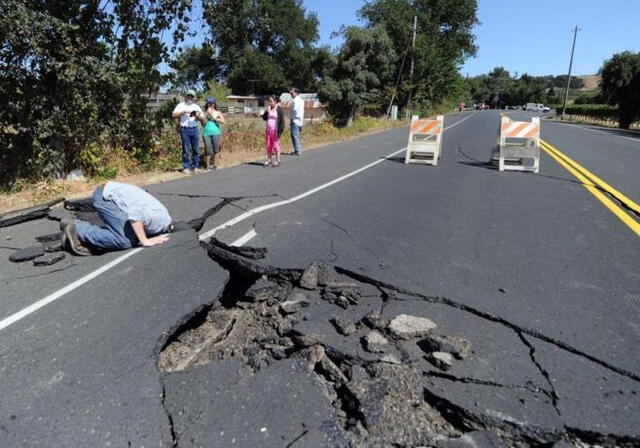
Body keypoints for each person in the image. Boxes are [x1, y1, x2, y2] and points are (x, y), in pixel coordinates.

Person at [60, 181, 171, 255]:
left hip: (112, 194)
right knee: (125, 241)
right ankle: (78, 228)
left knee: (132, 234)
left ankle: (81, 233)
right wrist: (145, 241)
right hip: (106, 198)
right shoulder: (158, 220)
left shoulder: (164, 219)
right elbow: (135, 214)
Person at [172, 89, 205, 174]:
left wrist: (197, 116)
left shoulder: (196, 107)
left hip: (194, 128)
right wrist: (182, 112)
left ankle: (195, 167)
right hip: (185, 129)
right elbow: (173, 115)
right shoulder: (181, 105)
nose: (190, 97)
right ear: (186, 96)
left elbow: (203, 119)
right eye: (189, 96)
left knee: (196, 149)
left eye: (192, 96)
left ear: (194, 98)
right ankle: (186, 167)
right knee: (186, 149)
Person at [202, 96, 225, 172]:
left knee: (216, 149)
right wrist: (206, 115)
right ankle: (207, 166)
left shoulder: (218, 112)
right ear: (207, 104)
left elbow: (223, 121)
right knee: (207, 150)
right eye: (209, 103)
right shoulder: (205, 113)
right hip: (206, 133)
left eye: (212, 103)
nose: (210, 105)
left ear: (214, 104)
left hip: (216, 132)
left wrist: (213, 117)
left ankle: (215, 165)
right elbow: (203, 123)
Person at [262, 95, 284, 167]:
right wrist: (267, 111)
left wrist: (279, 133)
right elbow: (264, 118)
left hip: (276, 131)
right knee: (268, 146)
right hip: (269, 131)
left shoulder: (279, 110)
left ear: (275, 101)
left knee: (276, 146)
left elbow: (282, 122)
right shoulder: (269, 109)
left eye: (271, 101)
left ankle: (278, 161)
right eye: (269, 101)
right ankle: (269, 160)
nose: (269, 103)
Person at [289, 88, 304, 155]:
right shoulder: (301, 100)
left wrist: (292, 118)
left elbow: (294, 110)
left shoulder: (295, 100)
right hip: (299, 120)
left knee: (294, 135)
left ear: (296, 93)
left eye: (291, 93)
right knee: (296, 135)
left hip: (295, 120)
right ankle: (298, 149)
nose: (290, 94)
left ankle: (297, 150)